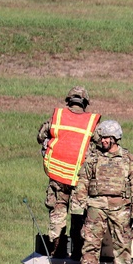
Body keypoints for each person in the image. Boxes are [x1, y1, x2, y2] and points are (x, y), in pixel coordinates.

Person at [70, 120, 133, 264]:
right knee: (91, 243)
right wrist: (77, 209)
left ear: (115, 138)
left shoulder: (127, 158)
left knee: (123, 245)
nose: (103, 141)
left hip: (121, 207)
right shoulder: (93, 158)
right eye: (101, 138)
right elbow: (83, 182)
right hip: (96, 206)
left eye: (106, 138)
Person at [37, 86, 101, 252]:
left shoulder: (57, 117)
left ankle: (55, 247)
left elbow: (41, 136)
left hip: (57, 175)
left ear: (68, 101)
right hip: (79, 177)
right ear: (85, 103)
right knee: (78, 214)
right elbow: (101, 143)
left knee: (57, 211)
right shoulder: (91, 122)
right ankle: (77, 251)